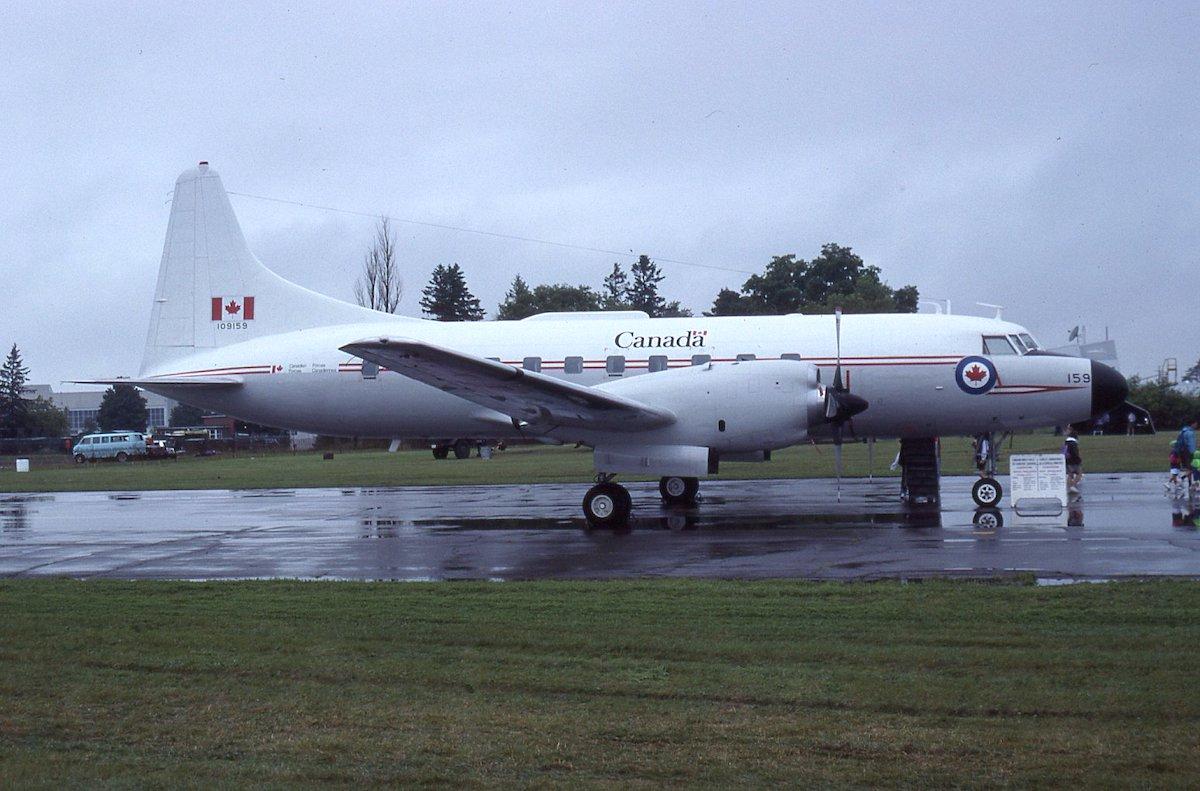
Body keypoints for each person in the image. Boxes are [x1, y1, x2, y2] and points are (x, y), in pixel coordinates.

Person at [1063, 427, 1083, 494]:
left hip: (1067, 460)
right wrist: (1079, 459)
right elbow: (1075, 453)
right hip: (1074, 461)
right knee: (1079, 474)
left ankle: (1069, 488)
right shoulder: (1073, 443)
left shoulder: (1066, 442)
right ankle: (1072, 485)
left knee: (1070, 474)